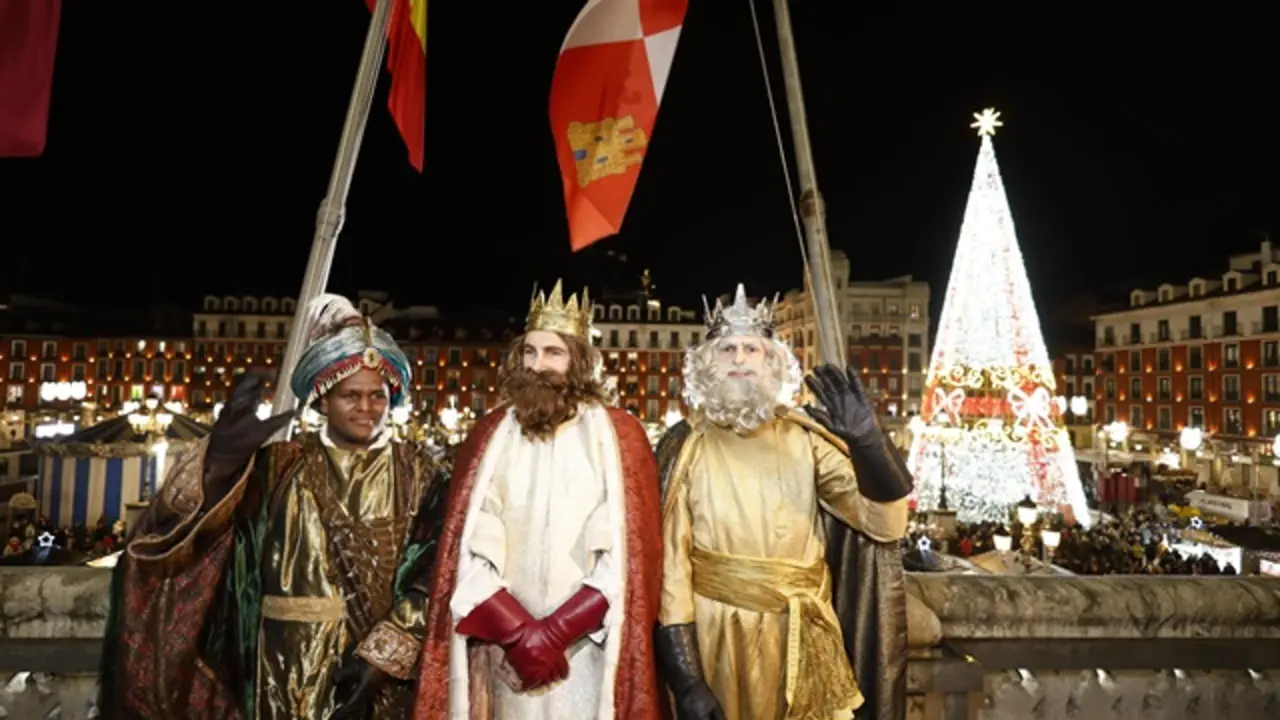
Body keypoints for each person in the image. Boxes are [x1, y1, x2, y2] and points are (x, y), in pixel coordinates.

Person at [100, 294, 448, 719]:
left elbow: (438, 569)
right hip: (280, 670)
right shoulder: (278, 467)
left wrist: (382, 661)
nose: (366, 408)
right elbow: (191, 527)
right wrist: (220, 459)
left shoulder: (422, 475)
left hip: (379, 678)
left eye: (377, 396)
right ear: (322, 400)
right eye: (351, 396)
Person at [654, 285, 913, 720]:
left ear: (771, 360)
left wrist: (868, 442)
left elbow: (884, 524)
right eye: (727, 349)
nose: (739, 359)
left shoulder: (806, 438)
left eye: (751, 348)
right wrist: (688, 680)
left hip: (805, 636)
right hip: (718, 638)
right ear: (707, 363)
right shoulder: (685, 446)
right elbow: (671, 574)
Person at [411, 280, 665, 720]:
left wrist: (556, 633)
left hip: (584, 652)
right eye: (529, 352)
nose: (536, 365)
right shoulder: (491, 436)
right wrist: (518, 633)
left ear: (579, 361)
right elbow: (469, 544)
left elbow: (627, 555)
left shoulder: (617, 436)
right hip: (506, 651)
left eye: (553, 353)